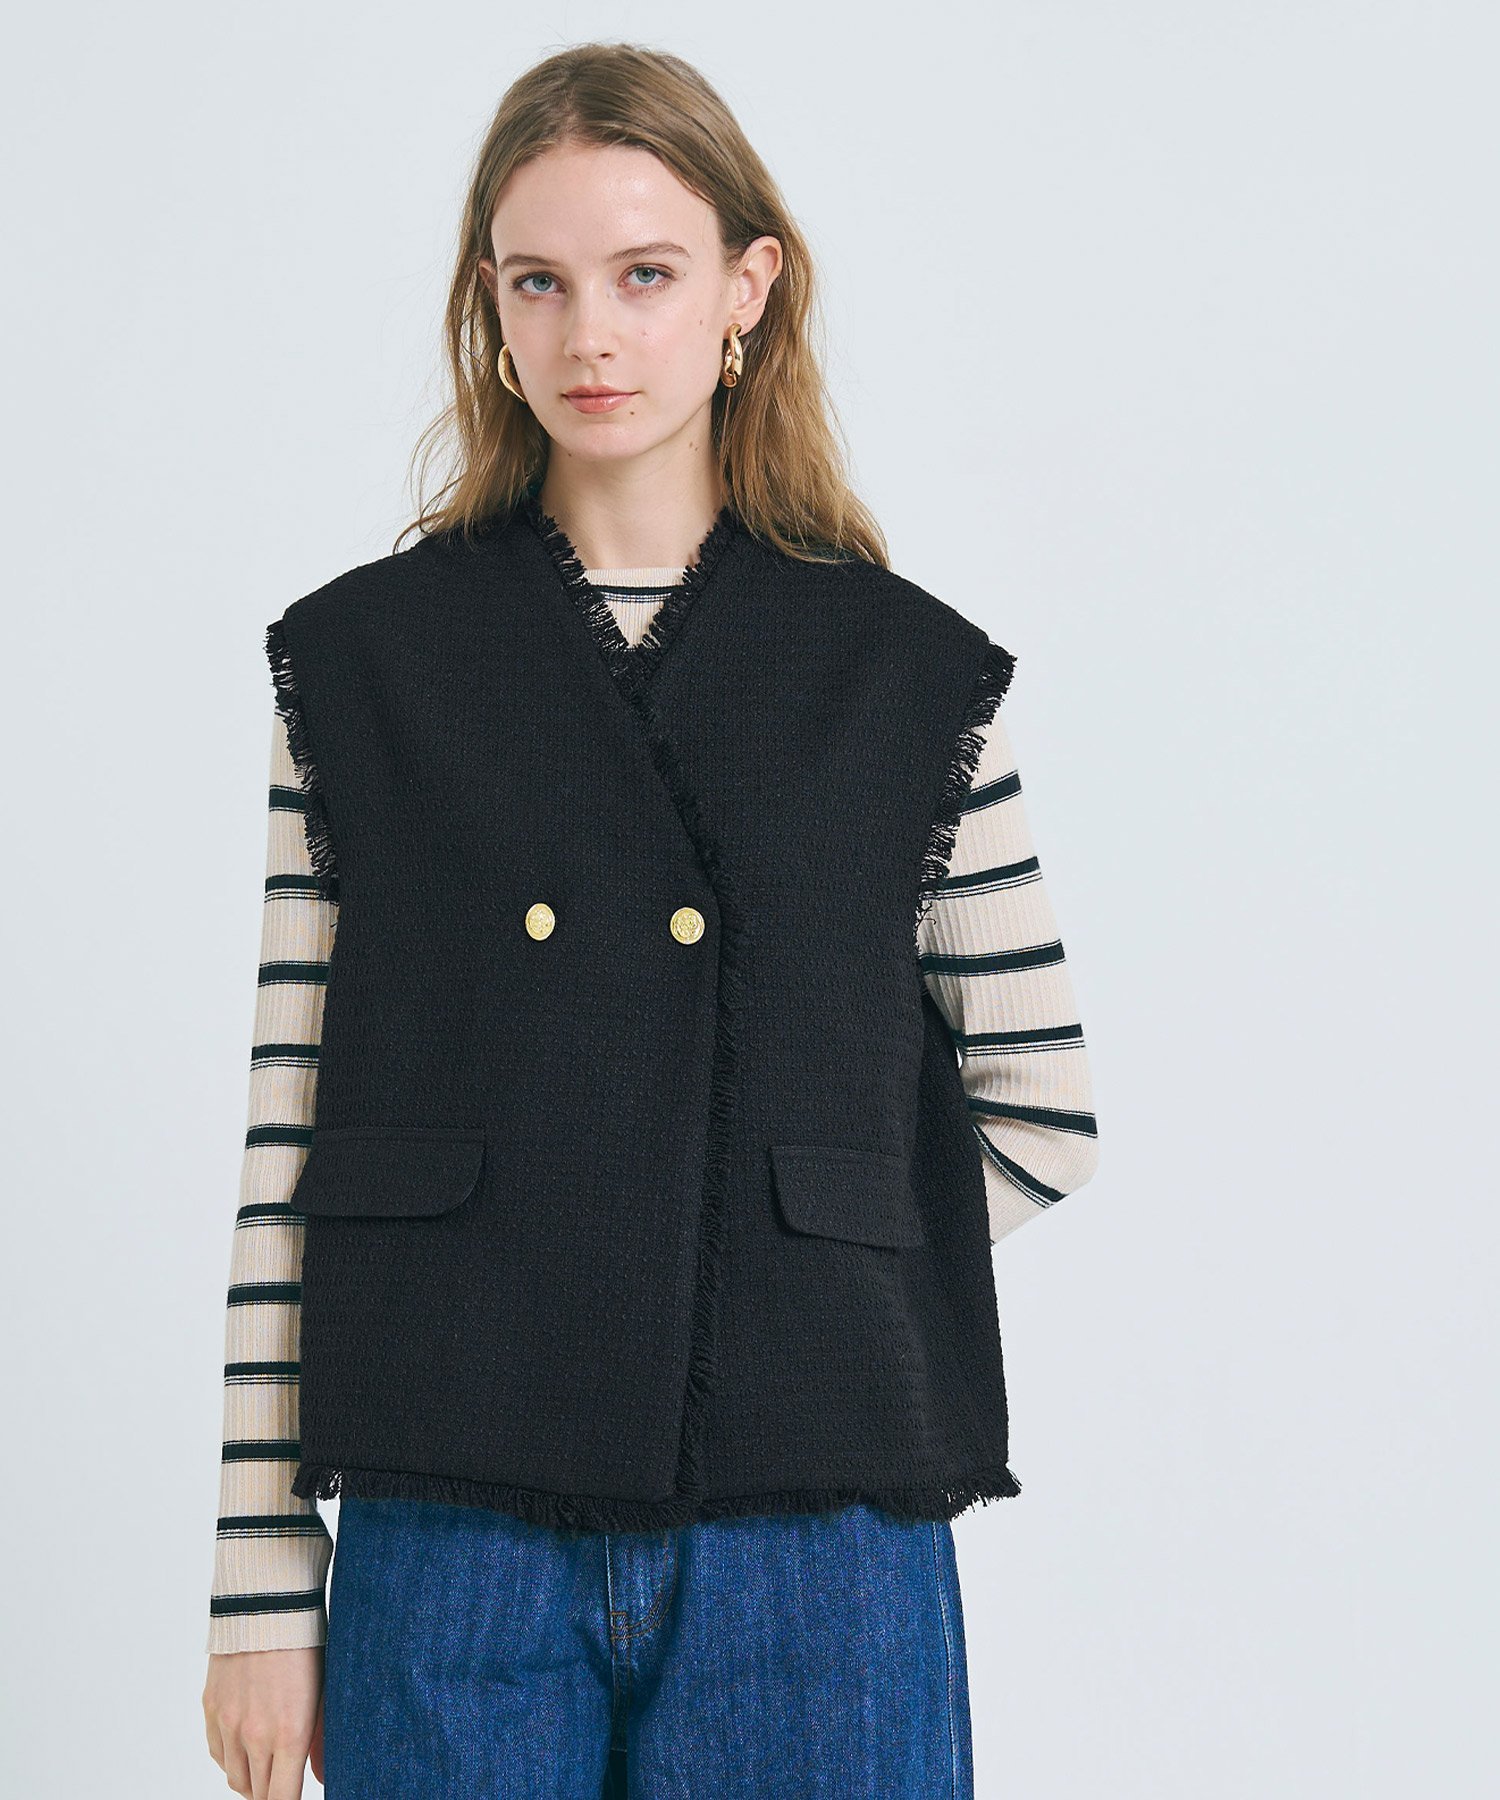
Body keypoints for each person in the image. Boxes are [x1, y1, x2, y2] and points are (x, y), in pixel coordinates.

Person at [202, 40, 1100, 1800]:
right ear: (489, 300)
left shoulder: (904, 678)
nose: (590, 337)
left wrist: (774, 1272)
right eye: (539, 281)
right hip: (450, 1508)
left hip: (815, 1525)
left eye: (645, 274)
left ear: (746, 290)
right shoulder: (365, 667)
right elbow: (288, 1139)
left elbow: (1042, 1105)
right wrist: (258, 1590)